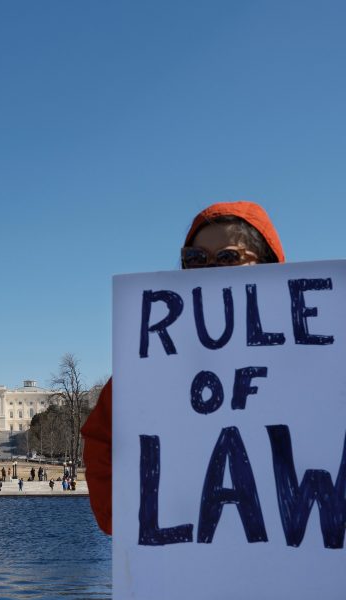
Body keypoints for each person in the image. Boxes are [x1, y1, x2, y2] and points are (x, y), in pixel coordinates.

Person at [82, 201, 285, 535]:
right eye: (195, 258)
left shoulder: (320, 353)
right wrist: (130, 518)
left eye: (228, 257)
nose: (208, 268)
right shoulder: (153, 359)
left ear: (266, 264)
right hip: (185, 562)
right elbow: (103, 438)